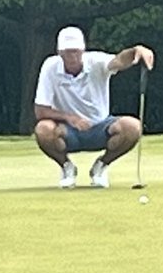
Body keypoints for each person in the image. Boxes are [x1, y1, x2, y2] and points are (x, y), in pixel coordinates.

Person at [33, 25, 155, 189]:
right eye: (68, 52)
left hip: (100, 127)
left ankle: (101, 166)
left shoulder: (96, 61)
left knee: (133, 127)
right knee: (43, 129)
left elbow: (118, 61)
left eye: (76, 51)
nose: (72, 56)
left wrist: (135, 51)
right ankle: (67, 167)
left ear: (83, 50)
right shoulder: (50, 67)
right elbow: (40, 110)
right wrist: (71, 118)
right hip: (68, 131)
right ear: (60, 53)